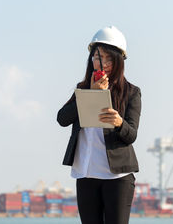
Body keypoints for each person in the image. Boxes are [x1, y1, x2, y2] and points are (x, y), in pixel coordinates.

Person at [57, 26, 141, 224]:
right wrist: (91, 94)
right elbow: (62, 119)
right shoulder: (82, 88)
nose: (101, 62)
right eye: (97, 56)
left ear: (118, 61)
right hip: (86, 175)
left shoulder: (131, 92)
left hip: (117, 177)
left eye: (107, 58)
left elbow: (131, 135)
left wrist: (119, 123)